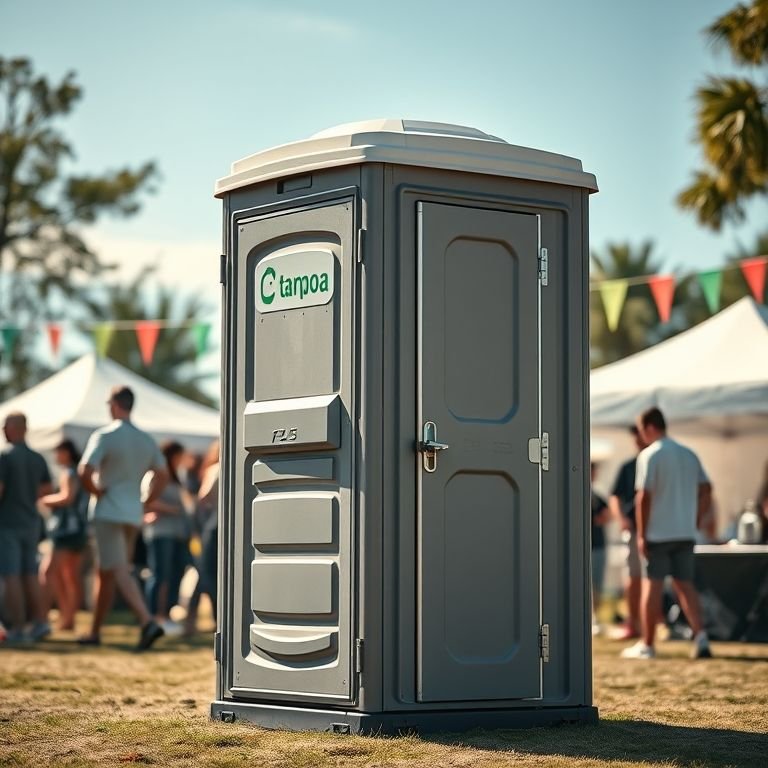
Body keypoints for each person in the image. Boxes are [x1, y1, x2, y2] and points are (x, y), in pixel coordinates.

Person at [77, 386, 169, 649]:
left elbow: (84, 470)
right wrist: (148, 499)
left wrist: (96, 491)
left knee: (116, 568)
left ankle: (147, 622)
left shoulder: (105, 435)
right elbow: (162, 474)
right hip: (132, 512)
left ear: (115, 404)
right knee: (107, 572)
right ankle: (94, 632)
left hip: (107, 511)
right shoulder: (146, 439)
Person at [621, 406, 713, 660]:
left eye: (641, 431)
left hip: (658, 534)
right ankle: (701, 637)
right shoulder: (688, 453)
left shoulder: (650, 455)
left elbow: (643, 497)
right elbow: (706, 489)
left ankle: (647, 645)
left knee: (653, 587)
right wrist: (695, 518)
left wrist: (641, 534)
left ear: (650, 428)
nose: (641, 437)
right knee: (686, 586)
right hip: (684, 532)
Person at [0, 412, 53, 642]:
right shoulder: (37, 458)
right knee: (30, 574)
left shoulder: (5, 456)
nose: (2, 429)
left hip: (8, 522)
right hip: (31, 522)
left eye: (5, 425)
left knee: (11, 575)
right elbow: (46, 491)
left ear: (16, 428)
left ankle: (18, 627)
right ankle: (40, 622)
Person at [39, 439, 89, 631]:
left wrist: (45, 499)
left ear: (66, 452)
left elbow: (67, 497)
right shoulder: (77, 472)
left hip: (65, 531)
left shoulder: (69, 473)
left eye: (57, 452)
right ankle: (68, 618)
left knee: (49, 572)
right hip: (78, 530)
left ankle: (42, 618)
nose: (55, 457)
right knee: (69, 576)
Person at [142, 440, 191, 632]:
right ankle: (154, 616)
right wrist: (172, 509)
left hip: (178, 533)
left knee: (175, 573)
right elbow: (146, 501)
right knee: (159, 574)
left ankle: (167, 613)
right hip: (160, 533)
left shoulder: (176, 477)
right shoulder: (155, 475)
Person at [608, 425, 647, 640]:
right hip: (633, 529)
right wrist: (621, 519)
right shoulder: (629, 466)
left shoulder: (657, 461)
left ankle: (651, 622)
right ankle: (633, 623)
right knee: (633, 578)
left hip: (655, 530)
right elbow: (615, 496)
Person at [184, 440, 219, 636]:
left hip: (211, 527)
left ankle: (191, 621)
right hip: (228, 529)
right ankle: (218, 620)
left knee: (205, 573)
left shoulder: (214, 469)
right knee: (216, 576)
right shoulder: (236, 466)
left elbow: (203, 497)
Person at [590, 462, 610, 635]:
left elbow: (607, 514)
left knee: (597, 584)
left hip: (598, 545)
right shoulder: (578, 493)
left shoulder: (597, 495)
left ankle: (594, 618)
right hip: (587, 547)